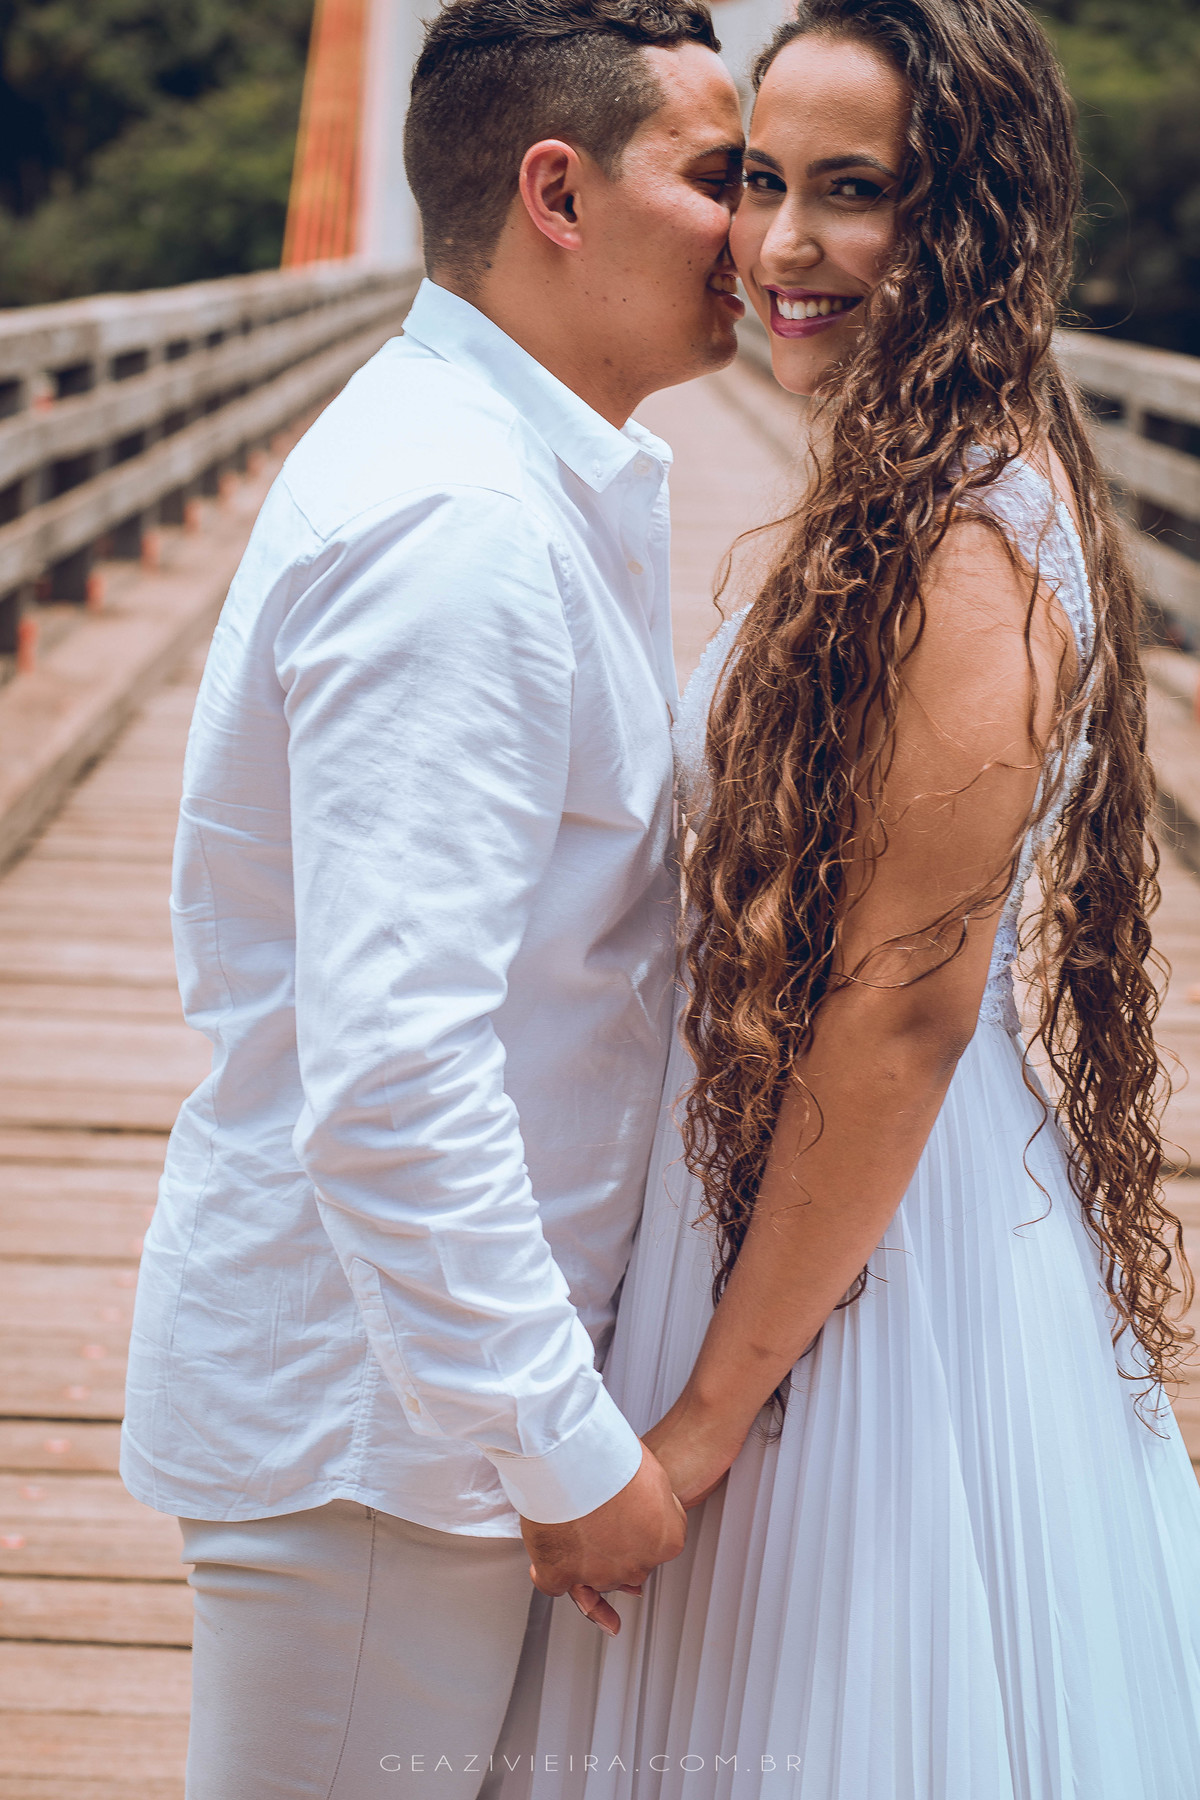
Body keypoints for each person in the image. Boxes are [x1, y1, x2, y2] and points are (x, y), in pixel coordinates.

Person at [513, 2, 1200, 1794]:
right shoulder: (908, 480)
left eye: (856, 191)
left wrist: (701, 1428)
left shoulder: (969, 538)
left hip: (874, 1270)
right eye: (760, 181)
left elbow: (899, 1012)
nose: (783, 245)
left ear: (971, 220)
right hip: (787, 1203)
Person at [119, 3, 747, 1794]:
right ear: (558, 192)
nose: (761, 227)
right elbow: (394, 1078)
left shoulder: (507, 472)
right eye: (721, 174)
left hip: (418, 1413)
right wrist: (565, 1450)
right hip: (390, 1441)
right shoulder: (461, 528)